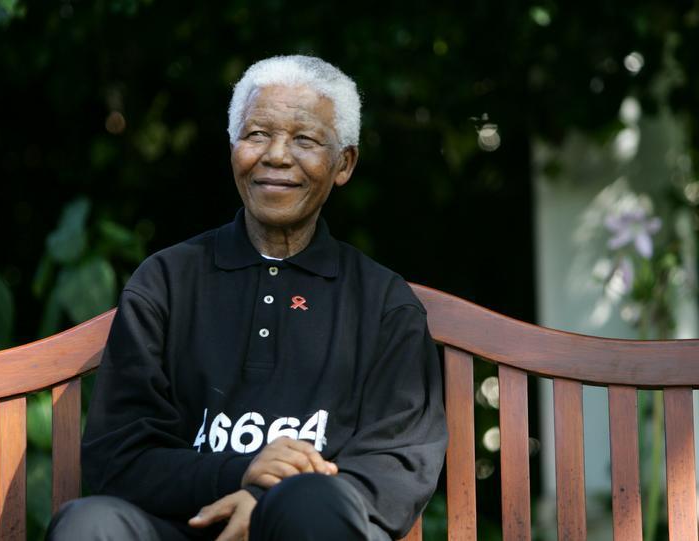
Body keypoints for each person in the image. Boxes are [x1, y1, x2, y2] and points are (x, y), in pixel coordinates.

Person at [46, 55, 447, 541]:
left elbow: (398, 464)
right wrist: (238, 474)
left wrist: (264, 501)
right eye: (257, 134)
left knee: (314, 503)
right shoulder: (168, 281)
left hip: (311, 526)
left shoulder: (383, 304)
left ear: (343, 163)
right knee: (88, 524)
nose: (276, 155)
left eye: (304, 139)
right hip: (184, 524)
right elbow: (118, 455)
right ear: (233, 148)